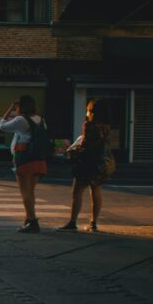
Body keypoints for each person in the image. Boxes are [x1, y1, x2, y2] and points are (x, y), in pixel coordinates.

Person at [58, 99, 113, 232]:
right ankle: (93, 223)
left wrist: (72, 150)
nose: (86, 113)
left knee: (77, 192)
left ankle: (72, 222)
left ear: (92, 112)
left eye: (88, 110)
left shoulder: (89, 125)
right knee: (96, 191)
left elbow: (86, 145)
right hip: (100, 163)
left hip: (86, 163)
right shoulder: (106, 126)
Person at [0, 95, 48, 233]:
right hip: (39, 159)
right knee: (31, 191)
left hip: (24, 158)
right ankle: (29, 219)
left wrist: (9, 110)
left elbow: (1, 126)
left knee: (25, 192)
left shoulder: (21, 120)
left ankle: (32, 222)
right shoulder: (41, 119)